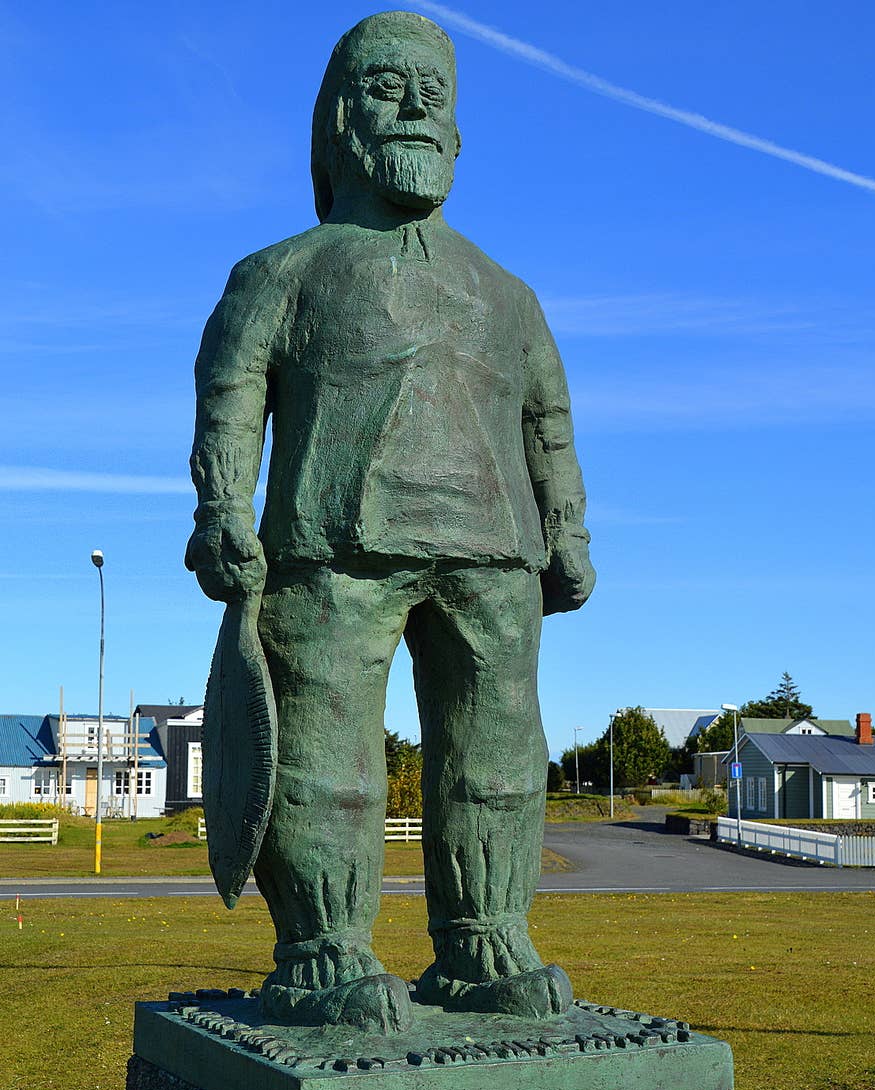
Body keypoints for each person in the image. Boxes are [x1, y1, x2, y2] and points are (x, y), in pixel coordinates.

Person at [186, 10, 595, 1033]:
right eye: (384, 85)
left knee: (497, 753)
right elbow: (230, 389)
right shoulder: (281, 271)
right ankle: (323, 949)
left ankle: (482, 937)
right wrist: (222, 509)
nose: (415, 107)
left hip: (496, 554)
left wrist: (570, 530)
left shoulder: (508, 293)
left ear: (459, 138)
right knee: (327, 758)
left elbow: (546, 419)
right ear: (335, 123)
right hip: (332, 553)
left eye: (434, 93)